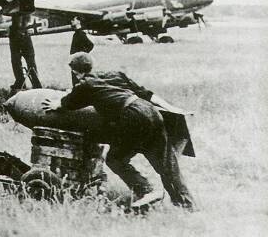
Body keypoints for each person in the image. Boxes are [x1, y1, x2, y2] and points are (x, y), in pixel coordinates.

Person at [42, 52, 195, 210]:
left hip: (131, 117)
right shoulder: (115, 74)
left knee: (115, 159)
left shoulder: (85, 85)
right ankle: (187, 205)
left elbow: (69, 103)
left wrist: (57, 104)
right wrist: (171, 108)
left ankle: (146, 190)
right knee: (166, 163)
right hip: (151, 111)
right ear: (92, 65)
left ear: (75, 72)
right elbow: (147, 94)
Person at [9, 13, 41, 91]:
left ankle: (33, 83)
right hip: (20, 33)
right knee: (20, 61)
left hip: (19, 33)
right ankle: (33, 84)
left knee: (21, 61)